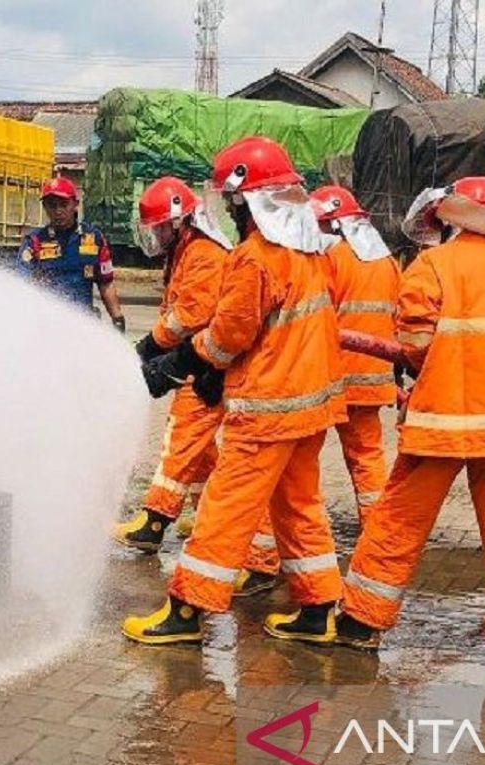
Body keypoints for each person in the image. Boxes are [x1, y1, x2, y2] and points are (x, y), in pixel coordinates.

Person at [335, 177, 485, 677]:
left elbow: (417, 345)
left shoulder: (431, 267)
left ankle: (363, 622)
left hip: (441, 424)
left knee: (399, 523)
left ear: (452, 220)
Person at [123, 136, 347, 646]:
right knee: (299, 507)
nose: (227, 208)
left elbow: (230, 336)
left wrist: (180, 363)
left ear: (248, 200)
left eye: (232, 199)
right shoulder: (310, 253)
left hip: (268, 409)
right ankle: (318, 609)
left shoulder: (256, 257)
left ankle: (187, 610)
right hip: (311, 407)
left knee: (224, 509)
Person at [234, 187, 401, 590]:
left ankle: (263, 556)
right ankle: (376, 539)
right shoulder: (387, 262)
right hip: (375, 380)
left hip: (323, 381)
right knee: (368, 463)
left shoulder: (328, 258)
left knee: (289, 471)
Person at [113, 176, 230, 552]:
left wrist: (150, 345)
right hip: (201, 358)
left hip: (206, 364)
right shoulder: (187, 250)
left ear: (178, 222)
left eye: (160, 227)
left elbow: (191, 314)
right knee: (200, 450)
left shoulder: (204, 254)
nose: (156, 236)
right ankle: (204, 513)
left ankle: (152, 522)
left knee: (180, 439)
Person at [16, 177, 125, 331]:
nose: (58, 211)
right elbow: (21, 284)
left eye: (63, 204)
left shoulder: (94, 238)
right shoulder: (34, 241)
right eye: (51, 206)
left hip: (84, 324)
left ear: (75, 204)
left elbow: (105, 283)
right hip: (47, 325)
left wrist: (117, 318)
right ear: (44, 207)